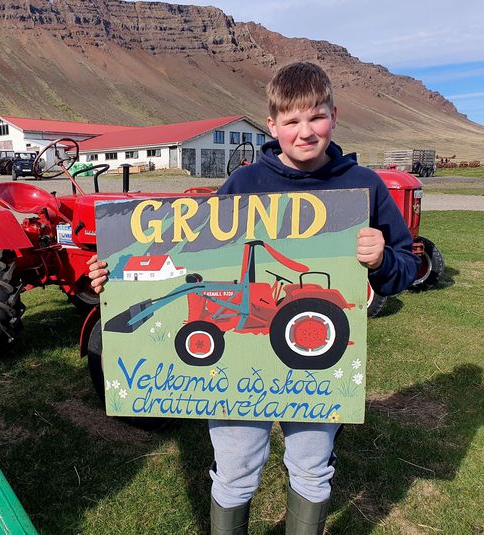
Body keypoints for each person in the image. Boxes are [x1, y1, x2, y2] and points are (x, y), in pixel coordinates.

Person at [87, 61, 419, 534]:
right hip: (240, 374)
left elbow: (403, 270)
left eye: (316, 117)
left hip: (314, 374)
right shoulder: (244, 185)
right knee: (236, 466)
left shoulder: (363, 185)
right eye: (292, 121)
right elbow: (192, 243)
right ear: (272, 126)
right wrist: (113, 277)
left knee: (311, 465)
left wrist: (383, 258)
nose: (305, 132)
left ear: (334, 115)